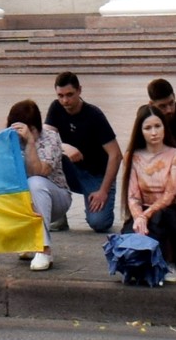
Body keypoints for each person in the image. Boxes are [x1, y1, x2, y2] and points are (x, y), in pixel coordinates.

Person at [47, 72, 121, 234]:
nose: (65, 101)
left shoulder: (94, 115)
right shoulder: (56, 108)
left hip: (96, 175)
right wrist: (64, 146)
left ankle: (105, 197)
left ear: (79, 90)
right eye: (60, 95)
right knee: (45, 161)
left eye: (69, 95)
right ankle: (58, 214)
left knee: (99, 223)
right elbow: (45, 139)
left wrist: (103, 191)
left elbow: (115, 154)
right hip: (71, 170)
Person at [125, 109, 176, 284]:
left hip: (169, 209)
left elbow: (170, 194)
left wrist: (146, 215)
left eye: (158, 126)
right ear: (140, 131)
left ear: (165, 127)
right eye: (148, 128)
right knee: (132, 229)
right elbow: (133, 196)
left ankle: (169, 261)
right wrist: (138, 217)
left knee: (161, 220)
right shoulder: (133, 156)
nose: (154, 132)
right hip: (144, 209)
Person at [6, 97, 63, 272]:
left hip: (55, 197)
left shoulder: (50, 138)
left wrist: (30, 142)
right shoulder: (9, 140)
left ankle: (44, 248)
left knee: (35, 182)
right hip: (23, 203)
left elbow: (40, 171)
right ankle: (27, 240)